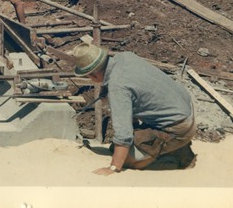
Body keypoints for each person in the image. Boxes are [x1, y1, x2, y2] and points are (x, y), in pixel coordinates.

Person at [71, 43, 198, 175]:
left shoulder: (117, 87)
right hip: (186, 108)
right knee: (115, 148)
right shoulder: (125, 57)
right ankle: (168, 145)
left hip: (178, 126)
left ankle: (177, 150)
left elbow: (123, 135)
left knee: (127, 160)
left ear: (93, 76)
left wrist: (113, 168)